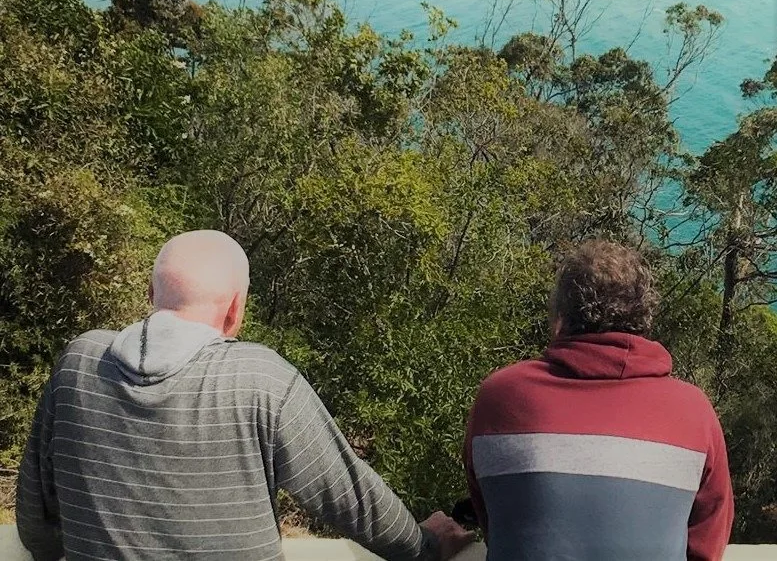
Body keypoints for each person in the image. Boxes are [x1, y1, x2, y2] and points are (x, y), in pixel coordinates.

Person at [17, 230, 473, 561]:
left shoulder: (78, 361)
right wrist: (425, 545)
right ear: (236, 307)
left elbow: (37, 521)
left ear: (151, 292)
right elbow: (350, 499)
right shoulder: (260, 378)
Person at [464, 239, 734, 561]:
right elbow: (708, 540)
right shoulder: (693, 411)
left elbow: (494, 521)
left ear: (560, 320)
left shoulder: (499, 396)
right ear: (644, 321)